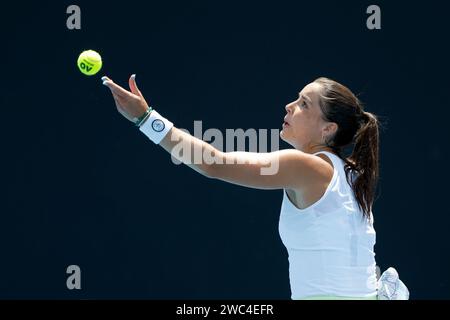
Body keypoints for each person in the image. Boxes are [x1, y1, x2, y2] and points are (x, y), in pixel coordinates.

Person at [101, 75, 403, 300]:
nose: (289, 106)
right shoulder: (352, 174)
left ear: (328, 129)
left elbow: (213, 163)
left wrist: (146, 118)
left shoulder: (305, 166)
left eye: (303, 104)